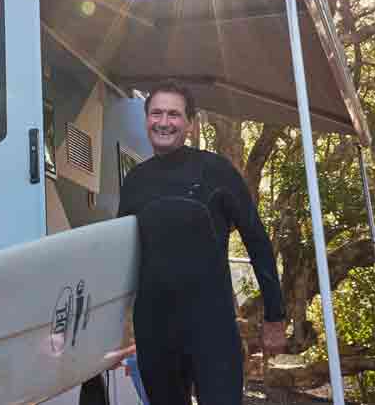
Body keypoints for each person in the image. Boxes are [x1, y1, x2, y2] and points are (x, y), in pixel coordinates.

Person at [115, 80, 286, 405]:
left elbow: (257, 240)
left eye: (174, 115)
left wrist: (274, 315)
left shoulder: (216, 171)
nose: (164, 122)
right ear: (147, 118)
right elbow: (124, 255)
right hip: (155, 329)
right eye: (156, 113)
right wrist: (111, 329)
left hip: (212, 327)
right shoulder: (135, 182)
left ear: (190, 124)